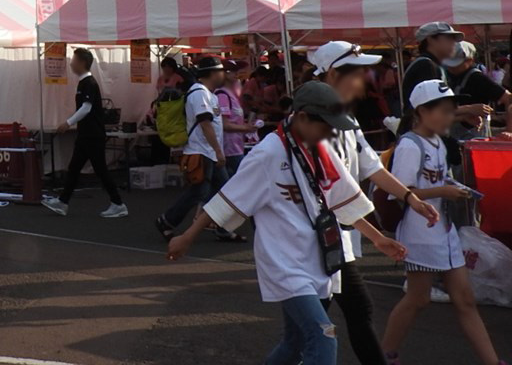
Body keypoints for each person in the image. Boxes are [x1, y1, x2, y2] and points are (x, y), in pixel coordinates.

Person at [168, 82, 408, 365]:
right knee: (324, 335)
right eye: (326, 125)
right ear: (302, 117)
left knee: (295, 343)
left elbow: (341, 200)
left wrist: (377, 238)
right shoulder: (267, 154)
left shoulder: (322, 149)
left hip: (317, 257)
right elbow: (228, 199)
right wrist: (187, 236)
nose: (331, 133)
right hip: (284, 263)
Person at [311, 41, 443, 365]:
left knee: (328, 318)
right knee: (342, 315)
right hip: (315, 235)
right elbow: (333, 189)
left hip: (336, 234)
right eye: (356, 71)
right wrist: (377, 236)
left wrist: (411, 198)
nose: (364, 77)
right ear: (333, 74)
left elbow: (372, 167)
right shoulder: (311, 121)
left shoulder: (345, 118)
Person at [381, 80, 506, 365]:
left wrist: (452, 188)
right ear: (422, 112)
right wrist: (444, 191)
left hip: (444, 229)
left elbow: (435, 180)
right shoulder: (410, 145)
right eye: (444, 110)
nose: (450, 116)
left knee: (465, 299)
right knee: (418, 298)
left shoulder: (436, 142)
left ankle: (492, 362)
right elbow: (400, 191)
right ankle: (385, 354)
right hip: (420, 232)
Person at [156, 56, 243, 243]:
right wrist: (218, 150)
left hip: (207, 151)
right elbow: (205, 124)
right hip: (202, 151)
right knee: (202, 192)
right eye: (221, 71)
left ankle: (220, 227)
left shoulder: (208, 93)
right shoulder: (199, 93)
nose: (223, 74)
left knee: (221, 190)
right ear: (212, 73)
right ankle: (167, 220)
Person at [47, 48, 127, 219]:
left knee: (99, 170)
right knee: (75, 168)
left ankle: (118, 203)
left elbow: (86, 107)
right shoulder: (83, 83)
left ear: (82, 62)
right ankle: (63, 202)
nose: (71, 63)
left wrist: (68, 123)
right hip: (86, 134)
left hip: (92, 135)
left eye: (73, 60)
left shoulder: (89, 83)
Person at [445, 41, 511, 139]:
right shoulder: (452, 76)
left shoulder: (477, 78)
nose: (452, 67)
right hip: (455, 128)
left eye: (456, 63)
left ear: (470, 61)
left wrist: (509, 130)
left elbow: (507, 97)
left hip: (474, 131)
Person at [216, 60, 259, 175]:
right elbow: (224, 124)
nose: (236, 74)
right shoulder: (222, 95)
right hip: (229, 148)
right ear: (224, 74)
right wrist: (246, 128)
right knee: (245, 177)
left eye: (236, 71)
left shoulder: (231, 94)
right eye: (232, 71)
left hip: (236, 146)